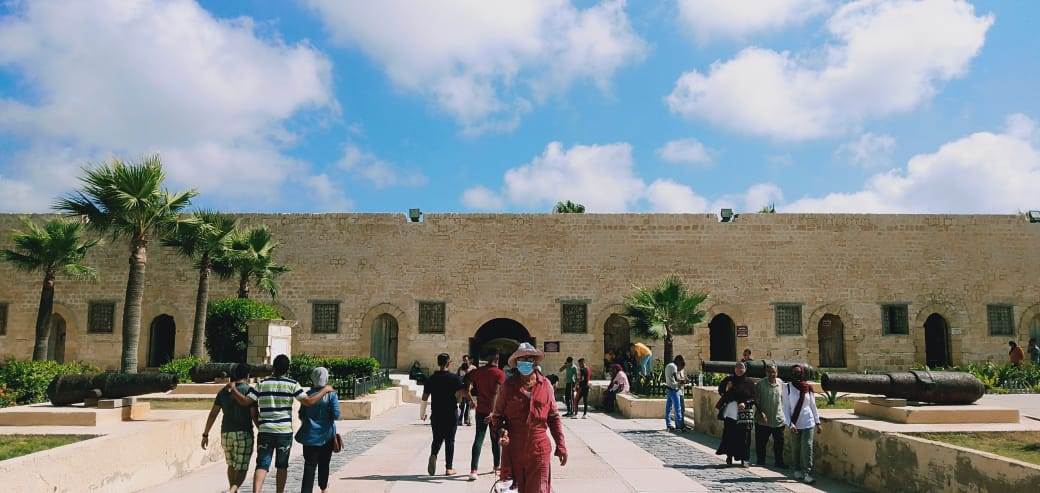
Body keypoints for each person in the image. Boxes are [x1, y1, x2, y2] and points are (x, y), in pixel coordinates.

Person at [225, 355, 335, 493]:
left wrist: (233, 389)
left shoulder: (262, 384)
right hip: (284, 432)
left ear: (273, 367)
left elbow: (245, 401)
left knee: (262, 465)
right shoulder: (292, 384)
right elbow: (308, 402)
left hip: (265, 430)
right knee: (282, 466)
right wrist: (325, 390)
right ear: (287, 369)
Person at [493, 343, 568, 493]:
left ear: (534, 362)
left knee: (538, 489)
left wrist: (561, 445)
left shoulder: (545, 385)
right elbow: (497, 416)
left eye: (529, 359)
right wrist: (502, 431)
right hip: (513, 449)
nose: (525, 362)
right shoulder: (507, 386)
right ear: (516, 363)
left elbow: (553, 417)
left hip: (538, 448)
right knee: (513, 489)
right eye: (522, 359)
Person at [201, 363, 258, 493]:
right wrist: (262, 430)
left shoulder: (223, 391)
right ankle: (232, 490)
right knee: (242, 467)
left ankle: (232, 490)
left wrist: (205, 434)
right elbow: (254, 415)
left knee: (231, 465)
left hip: (226, 433)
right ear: (248, 376)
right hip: (244, 433)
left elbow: (213, 414)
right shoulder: (249, 391)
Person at [422, 353, 469, 476]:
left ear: (438, 363)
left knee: (437, 438)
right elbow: (462, 393)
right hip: (450, 413)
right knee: (450, 440)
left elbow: (425, 397)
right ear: (448, 363)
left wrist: (422, 413)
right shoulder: (454, 378)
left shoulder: (431, 378)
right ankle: (449, 468)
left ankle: (433, 455)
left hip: (436, 413)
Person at [296, 367, 341, 493]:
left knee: (309, 466)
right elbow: (336, 414)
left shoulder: (308, 395)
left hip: (309, 435)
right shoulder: (331, 395)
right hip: (326, 435)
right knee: (324, 464)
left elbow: (301, 414)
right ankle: (323, 488)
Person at [466, 349, 506, 481]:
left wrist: (471, 399)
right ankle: (497, 467)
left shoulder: (477, 372)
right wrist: (493, 412)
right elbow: (495, 393)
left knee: (478, 438)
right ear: (497, 359)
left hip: (480, 410)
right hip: (494, 412)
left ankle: (473, 470)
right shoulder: (500, 374)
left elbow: (467, 384)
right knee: (495, 439)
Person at [783, 364, 821, 484]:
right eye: (794, 373)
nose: (797, 375)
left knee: (807, 447)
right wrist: (790, 424)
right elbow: (785, 408)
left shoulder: (807, 387)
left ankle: (807, 473)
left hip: (808, 421)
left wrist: (818, 422)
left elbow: (813, 405)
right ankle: (797, 469)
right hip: (794, 423)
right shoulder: (787, 387)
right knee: (796, 447)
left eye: (799, 372)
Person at [715, 361, 754, 467]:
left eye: (741, 367)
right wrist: (727, 389)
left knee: (745, 437)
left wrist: (745, 403)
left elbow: (753, 397)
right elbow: (721, 391)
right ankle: (729, 456)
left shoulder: (749, 382)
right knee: (729, 435)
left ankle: (744, 459)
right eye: (737, 367)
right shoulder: (728, 380)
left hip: (744, 413)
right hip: (731, 413)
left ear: (745, 369)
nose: (739, 369)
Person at [754, 363, 787, 468]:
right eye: (769, 372)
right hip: (763, 420)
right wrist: (761, 412)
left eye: (773, 372)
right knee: (761, 442)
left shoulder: (780, 383)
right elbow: (756, 400)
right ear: (766, 373)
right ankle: (761, 461)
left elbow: (783, 399)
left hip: (778, 419)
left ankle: (779, 462)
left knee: (779, 443)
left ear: (777, 372)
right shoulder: (760, 384)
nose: (772, 374)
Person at [664, 355, 688, 432]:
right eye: (681, 367)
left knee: (668, 409)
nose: (679, 369)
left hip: (669, 388)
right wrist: (684, 381)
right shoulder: (673, 366)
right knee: (678, 409)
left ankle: (669, 425)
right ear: (679, 362)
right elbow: (676, 379)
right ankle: (679, 426)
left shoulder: (669, 365)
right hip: (674, 390)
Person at [457, 355, 473, 426]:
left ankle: (467, 419)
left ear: (469, 360)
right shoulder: (460, 368)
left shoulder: (473, 368)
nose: (465, 361)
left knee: (468, 405)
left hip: (470, 388)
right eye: (464, 360)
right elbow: (458, 377)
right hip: (463, 388)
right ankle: (460, 420)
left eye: (466, 360)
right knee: (462, 405)